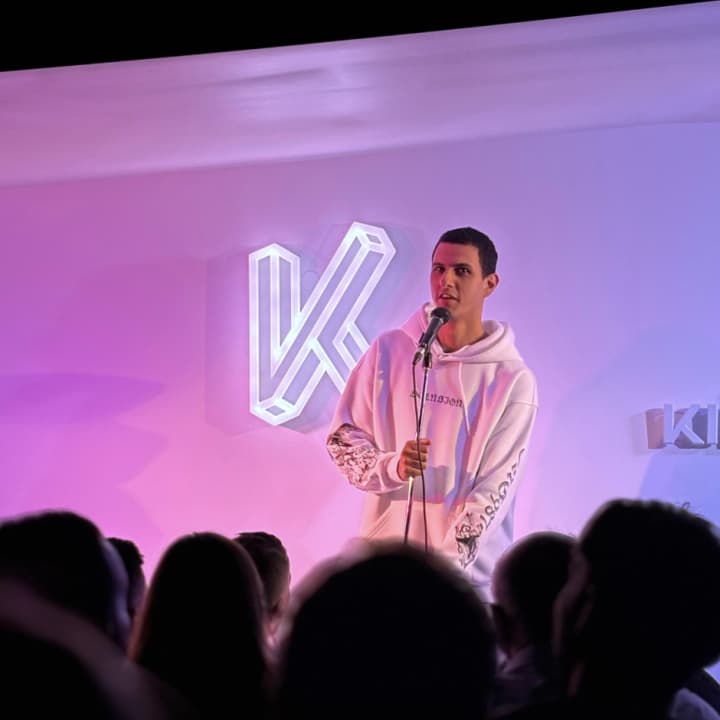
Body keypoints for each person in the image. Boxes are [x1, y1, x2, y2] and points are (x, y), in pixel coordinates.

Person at [326, 226, 538, 594]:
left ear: (489, 284)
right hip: (384, 572)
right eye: (438, 269)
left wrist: (442, 576)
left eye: (462, 271)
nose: (446, 281)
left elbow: (493, 491)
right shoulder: (390, 351)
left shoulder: (511, 380)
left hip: (461, 588)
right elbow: (342, 441)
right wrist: (392, 466)